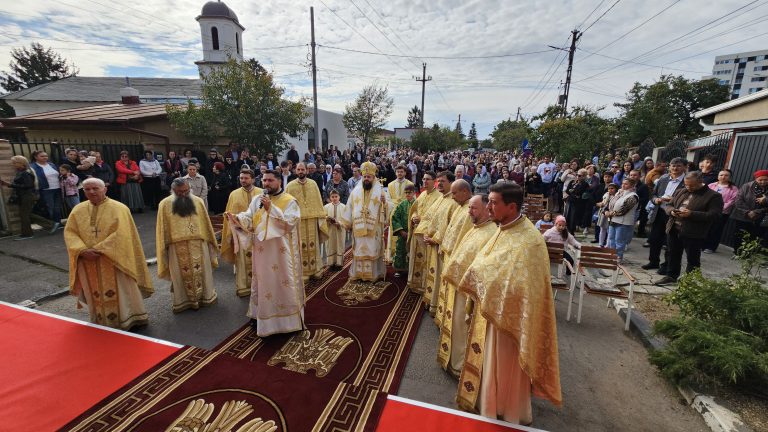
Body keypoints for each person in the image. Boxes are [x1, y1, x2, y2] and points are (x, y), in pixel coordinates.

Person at [457, 182, 561, 424]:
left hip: (510, 321)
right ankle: (489, 403)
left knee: (505, 367)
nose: (488, 208)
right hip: (493, 310)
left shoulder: (530, 241)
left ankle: (505, 409)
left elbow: (525, 288)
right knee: (490, 363)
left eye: (494, 203)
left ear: (512, 207)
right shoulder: (503, 227)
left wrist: (487, 284)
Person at [63, 178, 153, 330]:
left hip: (115, 260)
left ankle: (128, 318)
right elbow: (70, 233)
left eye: (95, 188)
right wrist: (82, 250)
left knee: (122, 291)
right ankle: (100, 319)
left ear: (104, 189)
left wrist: (98, 249)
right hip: (88, 260)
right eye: (87, 189)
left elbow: (122, 233)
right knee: (95, 292)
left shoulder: (119, 208)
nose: (91, 192)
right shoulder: (77, 210)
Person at [227, 169, 306, 336]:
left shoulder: (289, 201)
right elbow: (250, 217)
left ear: (279, 181)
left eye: (270, 180)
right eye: (264, 180)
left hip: (281, 253)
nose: (266, 183)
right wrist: (237, 218)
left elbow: (289, 223)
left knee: (282, 283)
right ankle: (260, 316)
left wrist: (271, 209)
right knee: (263, 283)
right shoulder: (258, 199)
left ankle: (287, 321)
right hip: (262, 251)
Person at [437, 193, 496, 378]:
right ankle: (452, 360)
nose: (469, 211)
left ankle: (460, 366)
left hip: (468, 294)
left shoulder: (491, 233)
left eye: (473, 208)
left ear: (487, 209)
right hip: (457, 288)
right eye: (469, 207)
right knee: (456, 327)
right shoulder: (476, 228)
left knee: (462, 330)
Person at [156, 178, 219, 312]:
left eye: (186, 191)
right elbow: (162, 229)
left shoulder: (198, 201)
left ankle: (206, 297)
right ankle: (183, 301)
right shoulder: (164, 204)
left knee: (203, 272)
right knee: (179, 275)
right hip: (176, 247)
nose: (184, 194)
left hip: (199, 243)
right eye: (179, 192)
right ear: (173, 190)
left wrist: (210, 242)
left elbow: (206, 225)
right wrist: (164, 247)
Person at [654, 172, 723, 285]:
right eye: (686, 185)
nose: (689, 187)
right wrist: (672, 211)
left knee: (692, 258)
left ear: (701, 181)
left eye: (692, 185)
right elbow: (669, 205)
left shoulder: (713, 196)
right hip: (674, 228)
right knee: (672, 254)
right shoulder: (681, 191)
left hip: (694, 232)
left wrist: (692, 214)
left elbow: (715, 215)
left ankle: (689, 282)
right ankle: (671, 276)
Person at [434, 179, 475, 326]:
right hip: (448, 255)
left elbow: (463, 238)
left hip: (455, 259)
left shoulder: (469, 211)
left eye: (455, 193)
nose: (452, 197)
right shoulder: (460, 206)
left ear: (465, 191)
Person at [343, 161, 391, 282]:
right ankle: (359, 274)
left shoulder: (380, 190)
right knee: (359, 249)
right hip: (358, 227)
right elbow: (349, 206)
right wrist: (347, 222)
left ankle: (374, 274)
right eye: (364, 176)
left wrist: (385, 202)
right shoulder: (355, 191)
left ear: (373, 177)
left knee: (372, 249)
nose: (366, 179)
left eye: (369, 177)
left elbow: (388, 207)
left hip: (374, 228)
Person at [421, 172, 459, 314]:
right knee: (433, 274)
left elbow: (450, 227)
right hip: (432, 243)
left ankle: (436, 305)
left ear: (451, 183)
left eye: (443, 181)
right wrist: (426, 232)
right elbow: (429, 217)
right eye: (438, 181)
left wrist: (435, 239)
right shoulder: (440, 199)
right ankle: (432, 301)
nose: (440, 184)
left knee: (439, 276)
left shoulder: (454, 202)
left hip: (440, 246)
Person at [221, 169, 263, 297]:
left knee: (260, 261)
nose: (243, 180)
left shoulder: (261, 193)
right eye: (241, 178)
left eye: (246, 178)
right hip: (241, 235)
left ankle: (261, 286)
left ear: (253, 179)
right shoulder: (234, 194)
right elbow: (230, 215)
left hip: (258, 233)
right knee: (242, 262)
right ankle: (244, 287)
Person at [642, 157, 687, 273]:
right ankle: (653, 261)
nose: (675, 168)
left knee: (670, 242)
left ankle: (666, 265)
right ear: (669, 167)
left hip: (674, 215)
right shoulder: (663, 178)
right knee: (654, 239)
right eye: (673, 166)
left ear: (684, 167)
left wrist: (673, 200)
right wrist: (655, 200)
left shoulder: (687, 181)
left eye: (678, 166)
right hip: (659, 211)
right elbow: (653, 194)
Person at [286, 162, 329, 280]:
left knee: (313, 244)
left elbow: (318, 200)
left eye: (302, 169)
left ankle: (316, 269)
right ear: (295, 171)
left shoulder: (313, 184)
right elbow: (287, 205)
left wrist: (321, 217)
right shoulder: (290, 186)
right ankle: (303, 272)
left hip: (312, 220)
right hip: (298, 221)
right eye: (298, 169)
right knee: (301, 245)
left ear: (306, 170)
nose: (300, 171)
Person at [407, 171, 441, 293]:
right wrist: (413, 217)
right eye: (423, 179)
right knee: (415, 258)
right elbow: (415, 210)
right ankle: (414, 283)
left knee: (426, 259)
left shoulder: (438, 197)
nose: (425, 181)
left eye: (428, 179)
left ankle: (424, 285)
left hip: (427, 234)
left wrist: (421, 219)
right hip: (417, 231)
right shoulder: (421, 194)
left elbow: (437, 217)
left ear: (434, 181)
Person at [0, 156, 39, 239]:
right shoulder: (20, 172)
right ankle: (26, 233)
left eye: (14, 163)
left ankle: (28, 234)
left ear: (21, 163)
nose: (13, 165)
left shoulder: (25, 172)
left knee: (24, 215)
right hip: (23, 195)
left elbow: (28, 185)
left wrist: (10, 185)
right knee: (24, 214)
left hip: (27, 195)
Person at [730, 169, 768, 255]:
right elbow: (738, 200)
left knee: (754, 236)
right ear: (756, 179)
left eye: (766, 179)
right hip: (742, 215)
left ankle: (747, 254)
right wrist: (748, 212)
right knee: (739, 235)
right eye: (760, 180)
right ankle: (737, 253)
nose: (763, 182)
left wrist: (757, 211)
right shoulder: (747, 186)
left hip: (759, 217)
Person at [703, 169, 739, 253]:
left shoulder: (733, 189)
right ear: (718, 176)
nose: (723, 177)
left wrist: (719, 208)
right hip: (708, 211)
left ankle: (711, 247)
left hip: (722, 213)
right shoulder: (711, 185)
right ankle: (702, 245)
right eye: (721, 175)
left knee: (716, 230)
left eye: (726, 175)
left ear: (730, 177)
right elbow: (704, 196)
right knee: (706, 228)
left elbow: (732, 201)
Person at [386, 164, 415, 262]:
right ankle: (393, 256)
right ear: (395, 173)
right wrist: (390, 210)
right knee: (394, 233)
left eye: (401, 172)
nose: (399, 173)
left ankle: (407, 255)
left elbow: (413, 198)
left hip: (406, 210)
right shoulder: (390, 185)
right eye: (398, 172)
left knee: (406, 232)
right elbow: (388, 199)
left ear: (405, 173)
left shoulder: (410, 184)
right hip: (394, 211)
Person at [605, 178, 639, 262]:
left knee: (619, 240)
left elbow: (625, 209)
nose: (623, 185)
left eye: (626, 184)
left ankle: (618, 257)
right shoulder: (619, 193)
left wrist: (611, 213)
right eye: (623, 183)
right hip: (613, 220)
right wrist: (606, 211)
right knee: (611, 238)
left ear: (632, 185)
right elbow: (611, 203)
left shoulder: (633, 196)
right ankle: (612, 255)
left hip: (623, 221)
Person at [30, 150, 62, 232]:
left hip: (57, 188)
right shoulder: (33, 166)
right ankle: (50, 225)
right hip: (45, 190)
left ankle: (58, 223)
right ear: (36, 157)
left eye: (46, 156)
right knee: (49, 207)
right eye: (42, 156)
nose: (45, 157)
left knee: (57, 207)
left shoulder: (51, 164)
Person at [390, 184, 416, 277]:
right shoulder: (402, 204)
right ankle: (399, 270)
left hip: (414, 233)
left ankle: (412, 270)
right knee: (400, 250)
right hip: (403, 233)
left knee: (413, 251)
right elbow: (395, 218)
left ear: (414, 192)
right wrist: (401, 231)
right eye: (406, 192)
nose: (407, 194)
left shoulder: (417, 204)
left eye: (410, 192)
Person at [324, 189, 347, 269]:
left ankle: (339, 263)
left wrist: (340, 224)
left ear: (339, 197)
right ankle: (331, 262)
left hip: (340, 230)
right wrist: (327, 219)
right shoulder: (326, 207)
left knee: (339, 244)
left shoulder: (344, 207)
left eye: (336, 196)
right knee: (330, 245)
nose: (334, 198)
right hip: (330, 229)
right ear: (330, 197)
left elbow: (346, 220)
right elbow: (323, 217)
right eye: (332, 197)